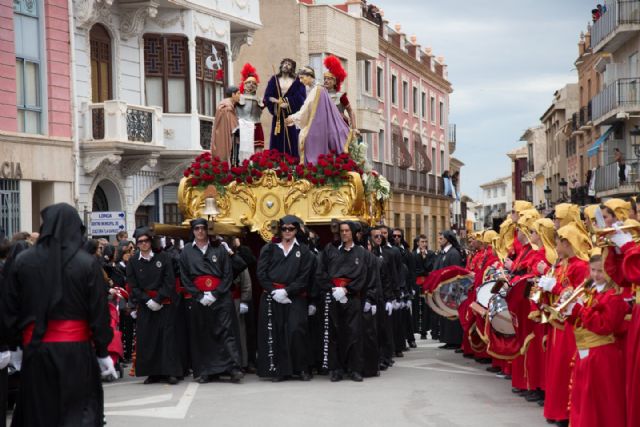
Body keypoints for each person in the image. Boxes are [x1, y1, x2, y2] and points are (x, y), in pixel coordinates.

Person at [3, 203, 114, 426]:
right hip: (77, 353)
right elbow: (98, 312)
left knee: (40, 412)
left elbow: (9, 307)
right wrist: (103, 352)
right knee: (77, 412)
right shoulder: (87, 263)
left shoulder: (24, 261)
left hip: (36, 352)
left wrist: (12, 344)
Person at [178, 218, 243, 384]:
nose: (200, 231)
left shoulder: (219, 249)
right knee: (203, 333)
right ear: (192, 231)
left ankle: (233, 368)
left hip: (220, 297)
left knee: (226, 332)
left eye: (203, 228)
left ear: (208, 230)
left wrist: (215, 293)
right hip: (199, 298)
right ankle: (206, 370)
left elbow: (227, 274)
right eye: (196, 229)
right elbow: (185, 277)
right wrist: (199, 296)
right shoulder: (186, 251)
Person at [566, 255, 627, 427]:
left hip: (602, 354)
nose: (596, 274)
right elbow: (581, 322)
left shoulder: (614, 296)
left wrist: (579, 310)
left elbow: (604, 326)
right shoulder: (591, 291)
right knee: (583, 397)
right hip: (586, 351)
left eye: (601, 270)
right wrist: (569, 311)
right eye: (593, 270)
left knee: (600, 400)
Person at [256, 215, 314, 381]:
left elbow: (304, 277)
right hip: (272, 296)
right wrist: (274, 292)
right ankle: (280, 371)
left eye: (291, 229)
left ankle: (301, 369)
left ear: (296, 230)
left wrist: (287, 291)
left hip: (294, 297)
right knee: (276, 332)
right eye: (284, 229)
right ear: (280, 230)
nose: (287, 232)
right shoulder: (269, 248)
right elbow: (261, 273)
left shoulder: (303, 251)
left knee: (296, 331)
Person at [316, 221, 372, 382]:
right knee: (334, 332)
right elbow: (321, 272)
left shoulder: (361, 253)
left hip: (351, 297)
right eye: (342, 231)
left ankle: (354, 369)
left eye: (347, 230)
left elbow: (363, 275)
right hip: (334, 296)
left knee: (354, 333)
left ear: (353, 233)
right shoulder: (330, 250)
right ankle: (336, 369)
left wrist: (347, 290)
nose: (344, 233)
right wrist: (332, 289)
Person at [126, 227, 182, 385]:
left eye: (146, 241)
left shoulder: (163, 257)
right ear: (137, 244)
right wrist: (146, 300)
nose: (143, 244)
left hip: (163, 302)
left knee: (167, 338)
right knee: (148, 339)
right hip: (145, 304)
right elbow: (133, 286)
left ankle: (170, 372)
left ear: (150, 242)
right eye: (140, 241)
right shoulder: (133, 261)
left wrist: (158, 299)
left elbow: (169, 280)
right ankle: (152, 373)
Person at [285, 66, 350, 165]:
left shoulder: (316, 89)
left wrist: (292, 118)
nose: (301, 81)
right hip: (323, 126)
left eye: (302, 77)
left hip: (319, 127)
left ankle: (311, 170)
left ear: (310, 76)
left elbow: (306, 110)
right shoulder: (320, 89)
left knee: (304, 137)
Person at [264, 58, 306, 158]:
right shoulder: (274, 80)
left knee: (292, 138)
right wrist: (276, 102)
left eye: (289, 64)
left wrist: (287, 102)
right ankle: (276, 162)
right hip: (278, 115)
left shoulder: (297, 82)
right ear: (281, 65)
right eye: (285, 63)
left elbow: (301, 97)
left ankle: (292, 162)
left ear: (292, 68)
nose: (286, 65)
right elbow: (268, 96)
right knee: (277, 138)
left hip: (291, 116)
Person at [432, 230, 465, 350]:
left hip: (451, 289)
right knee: (445, 315)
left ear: (447, 239)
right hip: (443, 289)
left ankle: (454, 340)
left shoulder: (453, 253)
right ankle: (448, 339)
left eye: (441, 238)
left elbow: (454, 272)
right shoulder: (443, 253)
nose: (439, 240)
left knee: (451, 316)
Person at [237, 63, 265, 160]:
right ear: (244, 85)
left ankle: (257, 168)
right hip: (242, 126)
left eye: (254, 84)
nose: (251, 85)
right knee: (241, 150)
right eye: (249, 83)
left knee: (258, 151)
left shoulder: (260, 100)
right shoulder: (238, 98)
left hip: (256, 125)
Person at [323, 55, 357, 131]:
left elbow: (350, 111)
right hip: (325, 128)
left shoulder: (341, 96)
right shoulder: (322, 95)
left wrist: (354, 128)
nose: (326, 81)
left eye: (329, 79)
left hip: (340, 128)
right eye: (325, 79)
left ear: (335, 82)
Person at [212, 86, 241, 164]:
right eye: (238, 93)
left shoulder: (228, 106)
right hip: (225, 139)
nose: (240, 96)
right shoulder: (227, 108)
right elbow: (234, 129)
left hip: (226, 139)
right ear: (233, 94)